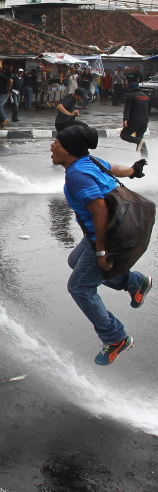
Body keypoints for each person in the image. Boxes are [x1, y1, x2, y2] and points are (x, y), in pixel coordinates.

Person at [51, 123, 151, 365]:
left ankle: (116, 337)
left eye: (58, 142)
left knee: (80, 287)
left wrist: (102, 252)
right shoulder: (89, 161)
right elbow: (114, 168)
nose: (52, 145)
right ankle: (135, 282)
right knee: (74, 261)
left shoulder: (77, 175)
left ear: (69, 150)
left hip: (109, 235)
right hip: (116, 230)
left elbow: (100, 212)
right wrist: (133, 171)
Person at [121, 82, 150, 153]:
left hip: (135, 120)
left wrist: (125, 119)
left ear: (131, 89)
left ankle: (138, 141)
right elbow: (149, 110)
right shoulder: (146, 97)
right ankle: (145, 158)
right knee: (140, 137)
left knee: (124, 135)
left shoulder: (130, 96)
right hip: (145, 120)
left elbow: (127, 108)